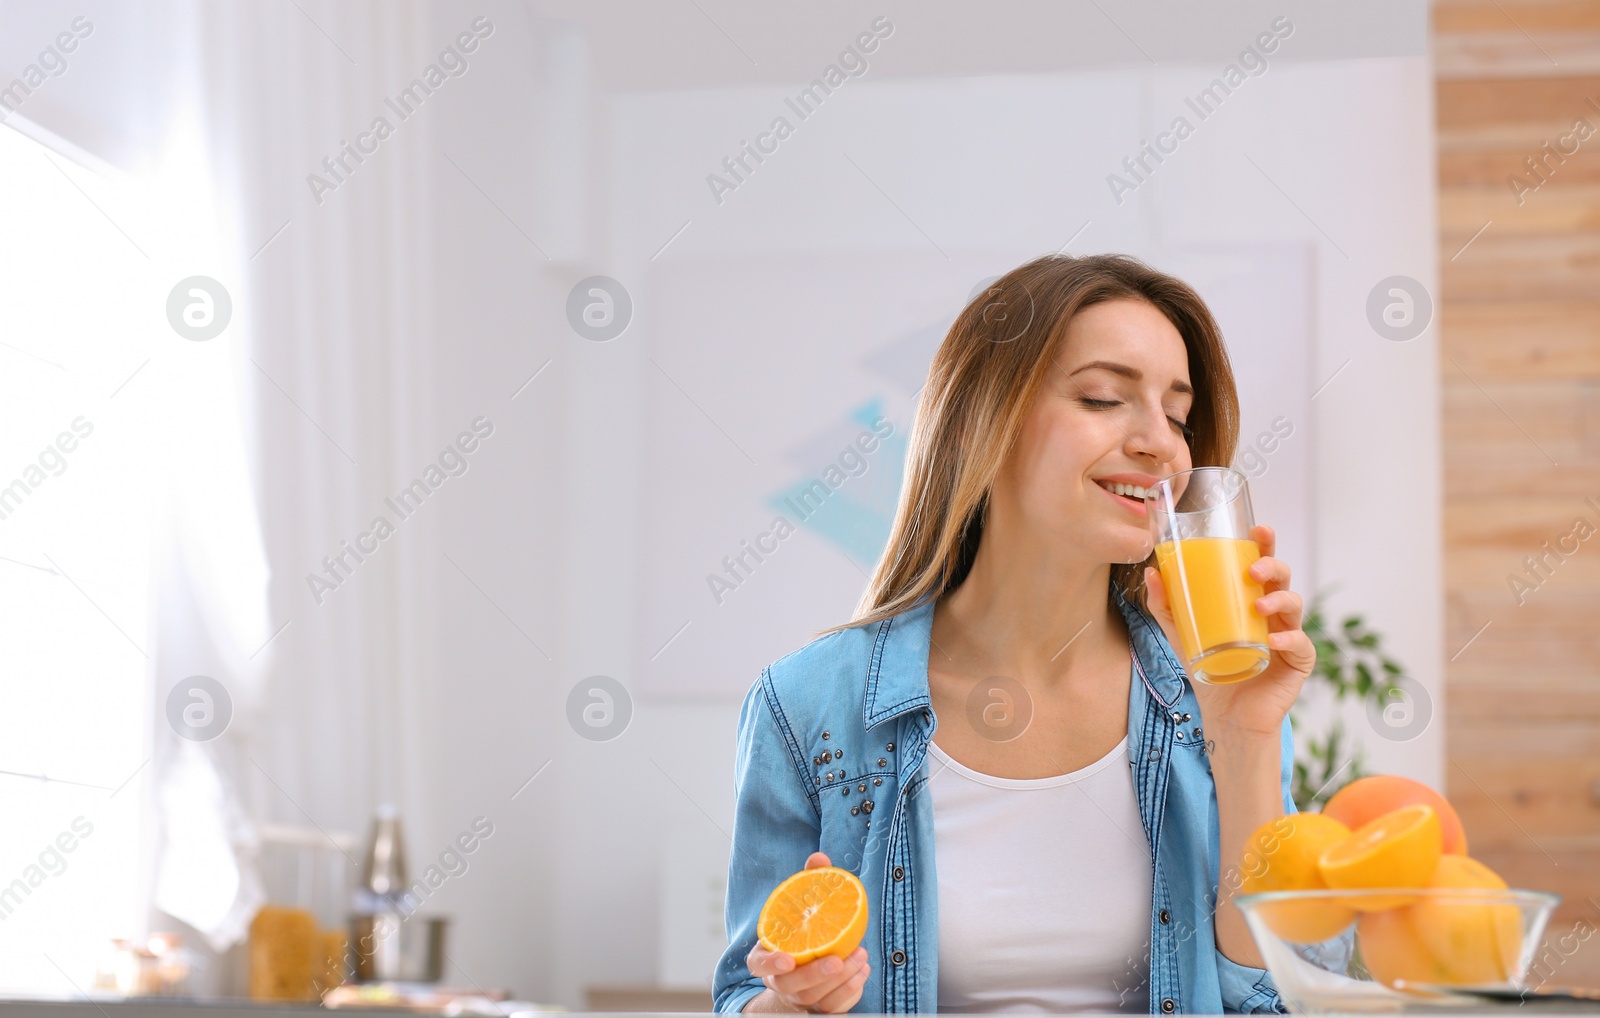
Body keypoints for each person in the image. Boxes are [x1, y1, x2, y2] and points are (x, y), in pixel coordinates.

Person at [712, 253, 1315, 1014]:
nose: (1160, 443)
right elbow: (745, 993)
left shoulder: (1215, 690)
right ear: (984, 420)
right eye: (1103, 397)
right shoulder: (807, 705)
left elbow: (1278, 1002)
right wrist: (795, 1003)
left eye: (1178, 414)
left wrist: (1248, 739)